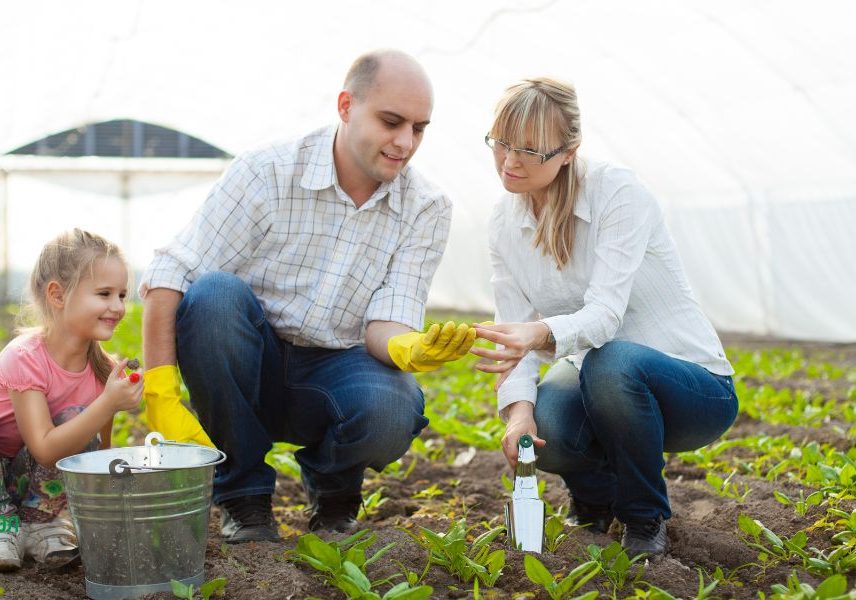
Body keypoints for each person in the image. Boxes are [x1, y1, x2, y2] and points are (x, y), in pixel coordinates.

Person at [139, 49, 475, 543]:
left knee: (392, 405)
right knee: (213, 297)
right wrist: (159, 390)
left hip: (333, 369)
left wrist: (409, 347)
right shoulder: (268, 172)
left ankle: (334, 489)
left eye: (419, 128)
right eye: (390, 121)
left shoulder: (426, 208)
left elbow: (388, 320)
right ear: (346, 106)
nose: (405, 143)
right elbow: (172, 271)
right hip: (249, 361)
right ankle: (243, 497)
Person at [471, 78, 738, 557]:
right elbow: (513, 331)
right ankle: (594, 506)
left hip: (692, 388)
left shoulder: (617, 193)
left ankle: (643, 520)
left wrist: (538, 333)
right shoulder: (504, 222)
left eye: (531, 149)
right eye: (502, 142)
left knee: (610, 361)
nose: (511, 161)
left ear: (569, 151)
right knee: (549, 423)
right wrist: (519, 414)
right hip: (598, 381)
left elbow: (603, 318)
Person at [0, 229, 142, 571]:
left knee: (78, 420)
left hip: (28, 480)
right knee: (80, 417)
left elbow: (98, 452)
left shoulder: (103, 369)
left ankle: (41, 523)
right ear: (57, 295)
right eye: (104, 294)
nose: (118, 307)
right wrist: (107, 404)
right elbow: (45, 448)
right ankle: (5, 524)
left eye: (122, 295)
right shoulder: (24, 357)